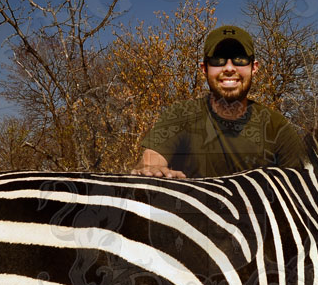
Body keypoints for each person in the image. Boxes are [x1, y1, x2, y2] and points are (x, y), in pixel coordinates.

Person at [131, 25, 306, 178]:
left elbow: (300, 188)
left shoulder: (277, 127)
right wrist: (152, 170)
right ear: (204, 69)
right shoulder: (180, 115)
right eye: (218, 60)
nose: (229, 68)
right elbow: (150, 161)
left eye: (240, 59)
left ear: (254, 67)